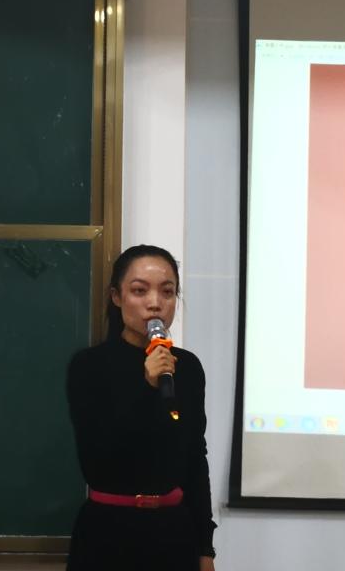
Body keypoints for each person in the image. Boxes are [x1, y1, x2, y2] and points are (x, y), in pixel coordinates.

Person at [65, 245, 217, 571]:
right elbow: (99, 460)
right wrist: (147, 388)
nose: (155, 303)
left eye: (167, 292)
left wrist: (206, 547)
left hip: (173, 533)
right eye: (139, 290)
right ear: (116, 297)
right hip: (107, 533)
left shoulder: (187, 368)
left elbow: (194, 459)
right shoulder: (89, 366)